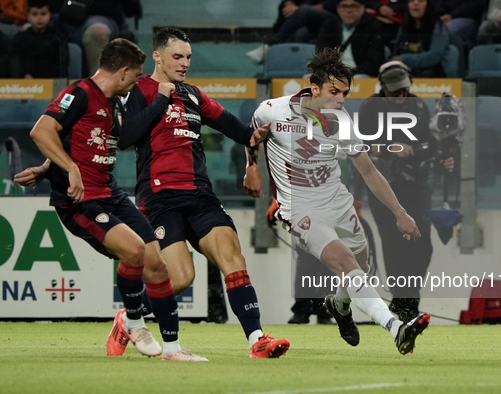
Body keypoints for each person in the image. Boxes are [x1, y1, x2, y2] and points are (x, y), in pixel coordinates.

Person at [13, 38, 206, 362]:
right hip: (80, 201)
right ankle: (136, 325)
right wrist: (66, 168)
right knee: (133, 251)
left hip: (110, 192)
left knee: (157, 265)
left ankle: (170, 348)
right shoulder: (78, 94)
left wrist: (48, 167)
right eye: (135, 75)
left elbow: (79, 141)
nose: (136, 81)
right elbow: (42, 131)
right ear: (122, 71)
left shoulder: (116, 102)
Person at [116, 27, 290, 359]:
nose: (184, 63)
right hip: (159, 197)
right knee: (179, 278)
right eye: (177, 57)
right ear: (157, 55)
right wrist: (162, 100)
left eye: (188, 57)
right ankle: (130, 317)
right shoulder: (139, 89)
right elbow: (125, 138)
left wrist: (256, 147)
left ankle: (257, 339)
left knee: (233, 259)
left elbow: (240, 132)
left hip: (200, 195)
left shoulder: (194, 94)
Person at [244, 47, 430, 355]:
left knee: (362, 265)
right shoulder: (270, 110)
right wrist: (251, 168)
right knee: (346, 263)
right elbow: (251, 140)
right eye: (334, 91)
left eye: (345, 92)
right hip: (300, 209)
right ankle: (396, 328)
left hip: (337, 202)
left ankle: (339, 305)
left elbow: (369, 171)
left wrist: (399, 212)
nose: (341, 99)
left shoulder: (341, 120)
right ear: (314, 88)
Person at [354, 60, 454, 322]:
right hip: (383, 187)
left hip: (418, 185)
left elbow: (431, 144)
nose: (400, 95)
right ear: (382, 86)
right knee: (394, 243)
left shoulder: (419, 105)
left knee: (424, 245)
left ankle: (408, 299)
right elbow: (360, 148)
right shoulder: (370, 108)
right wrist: (392, 146)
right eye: (394, 90)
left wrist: (442, 158)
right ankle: (403, 302)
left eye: (404, 90)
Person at [50, 0, 139, 76]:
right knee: (40, 20)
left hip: (99, 16)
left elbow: (128, 8)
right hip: (59, 15)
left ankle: (96, 87)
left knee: (98, 33)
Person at [317, 0, 384, 77]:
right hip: (332, 73)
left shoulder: (373, 27)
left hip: (360, 73)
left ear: (362, 8)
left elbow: (374, 62)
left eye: (353, 6)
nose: (349, 10)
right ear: (338, 9)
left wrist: (349, 73)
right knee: (310, 77)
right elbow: (321, 55)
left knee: (358, 78)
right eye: (344, 6)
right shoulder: (330, 26)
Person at [391, 0, 450, 77]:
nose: (415, 3)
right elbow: (396, 52)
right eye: (411, 1)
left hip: (433, 76)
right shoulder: (403, 27)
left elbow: (434, 56)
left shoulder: (438, 27)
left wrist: (404, 59)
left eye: (420, 1)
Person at [11, 0, 68, 78]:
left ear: (49, 15)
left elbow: (60, 67)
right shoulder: (20, 38)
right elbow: (14, 62)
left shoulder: (57, 38)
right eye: (35, 14)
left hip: (49, 82)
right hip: (23, 84)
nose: (39, 18)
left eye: (43, 14)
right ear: (28, 16)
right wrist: (24, 75)